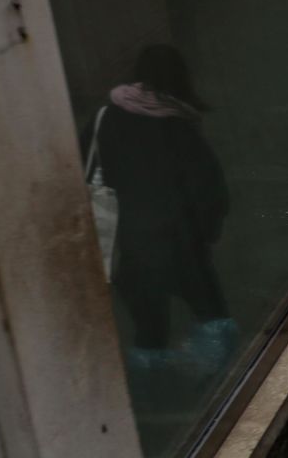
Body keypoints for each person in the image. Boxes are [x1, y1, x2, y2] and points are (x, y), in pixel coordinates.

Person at [93, 45, 234, 376]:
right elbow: (209, 191)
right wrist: (209, 234)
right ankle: (213, 389)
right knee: (214, 319)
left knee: (150, 330)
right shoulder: (178, 128)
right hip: (179, 246)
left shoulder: (104, 118)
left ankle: (150, 390)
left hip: (128, 249)